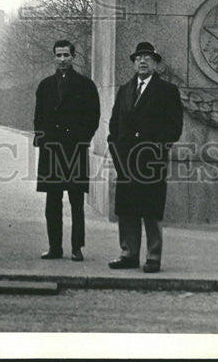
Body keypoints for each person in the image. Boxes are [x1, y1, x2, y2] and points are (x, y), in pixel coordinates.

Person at [107, 40, 183, 273]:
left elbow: (174, 127)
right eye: (138, 58)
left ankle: (153, 256)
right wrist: (115, 150)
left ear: (156, 64)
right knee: (127, 209)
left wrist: (158, 150)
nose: (142, 61)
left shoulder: (167, 91)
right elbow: (114, 125)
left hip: (151, 161)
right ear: (133, 63)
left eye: (148, 58)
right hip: (126, 160)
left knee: (151, 211)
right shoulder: (125, 90)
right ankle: (128, 254)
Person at [34, 39, 100, 262]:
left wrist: (82, 140)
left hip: (75, 150)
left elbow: (93, 118)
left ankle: (76, 247)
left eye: (66, 55)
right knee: (52, 202)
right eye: (58, 55)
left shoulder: (86, 85)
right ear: (54, 57)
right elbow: (38, 117)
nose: (62, 59)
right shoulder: (45, 86)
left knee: (76, 202)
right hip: (51, 151)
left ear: (74, 57)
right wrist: (42, 140)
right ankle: (54, 247)